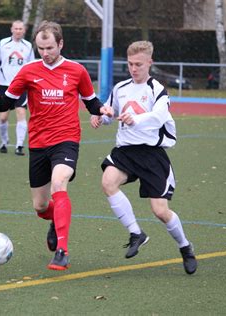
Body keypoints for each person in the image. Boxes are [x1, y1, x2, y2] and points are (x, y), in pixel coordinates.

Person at [0, 21, 112, 270]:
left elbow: (91, 101)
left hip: (66, 139)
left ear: (61, 44)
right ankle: (56, 219)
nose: (45, 52)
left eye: (50, 47)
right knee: (41, 206)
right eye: (41, 48)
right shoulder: (29, 71)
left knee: (59, 182)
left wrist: (102, 109)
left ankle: (62, 251)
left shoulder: (77, 71)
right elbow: (8, 102)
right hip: (39, 143)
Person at [90, 40, 198, 274]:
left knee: (160, 211)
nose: (134, 68)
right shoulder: (120, 88)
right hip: (126, 152)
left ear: (150, 62)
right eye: (130, 64)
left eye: (139, 64)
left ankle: (185, 247)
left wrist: (135, 119)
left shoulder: (157, 89)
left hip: (151, 155)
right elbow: (111, 113)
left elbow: (159, 116)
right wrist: (101, 116)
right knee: (108, 182)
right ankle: (136, 233)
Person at [0, 20, 35, 155]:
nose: (18, 31)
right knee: (3, 117)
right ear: (11, 29)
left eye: (21, 28)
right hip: (4, 85)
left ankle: (19, 146)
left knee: (21, 113)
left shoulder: (28, 46)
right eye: (16, 28)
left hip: (21, 86)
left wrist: (32, 82)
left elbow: (31, 65)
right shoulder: (2, 44)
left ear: (24, 30)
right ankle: (4, 141)